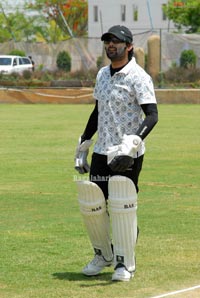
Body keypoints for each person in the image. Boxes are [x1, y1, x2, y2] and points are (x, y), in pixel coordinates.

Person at [75, 25, 158, 282]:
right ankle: (104, 255)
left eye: (117, 42)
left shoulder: (139, 76)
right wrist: (83, 145)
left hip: (126, 153)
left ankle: (125, 263)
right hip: (102, 151)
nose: (111, 45)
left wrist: (133, 144)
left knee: (123, 205)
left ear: (129, 46)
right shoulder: (102, 74)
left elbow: (152, 115)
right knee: (96, 207)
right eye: (108, 41)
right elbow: (97, 112)